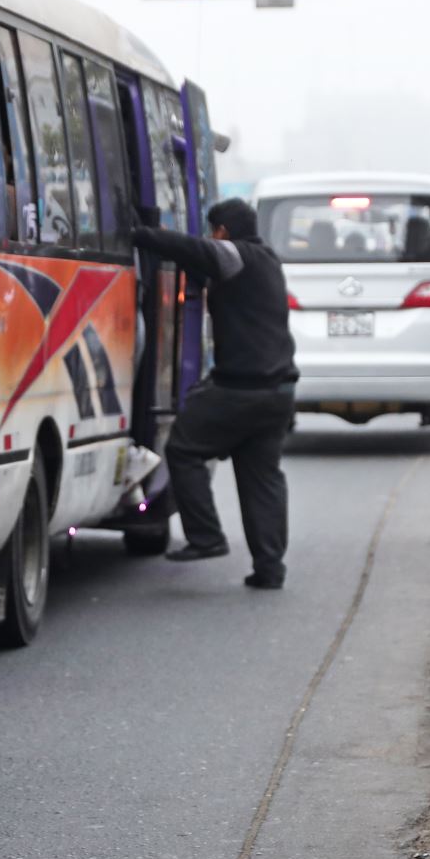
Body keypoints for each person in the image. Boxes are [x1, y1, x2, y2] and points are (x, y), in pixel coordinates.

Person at [136, 198, 298, 589]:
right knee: (262, 477)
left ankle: (206, 536)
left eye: (214, 231)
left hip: (240, 389)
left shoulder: (235, 253)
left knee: (183, 449)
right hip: (279, 391)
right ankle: (269, 568)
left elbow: (196, 250)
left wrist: (141, 235)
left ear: (223, 231)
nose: (211, 237)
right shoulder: (268, 260)